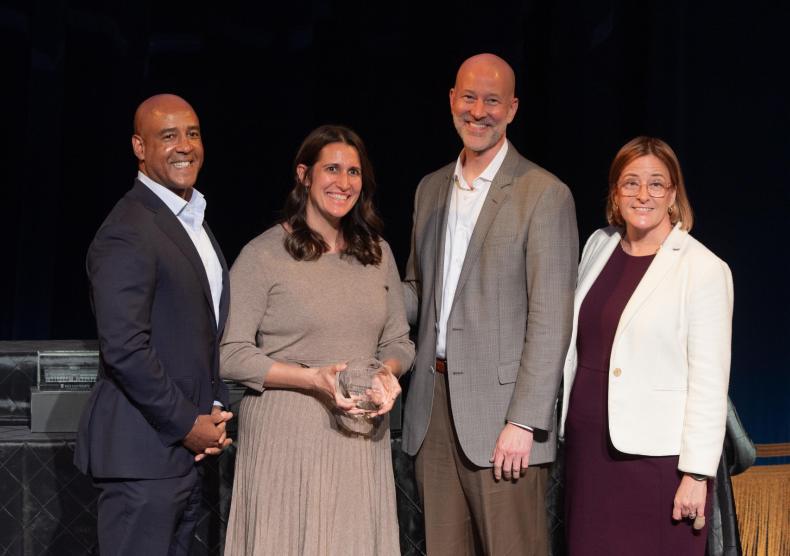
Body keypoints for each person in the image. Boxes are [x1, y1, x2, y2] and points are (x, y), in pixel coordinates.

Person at [401, 53, 579, 556]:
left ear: (513, 109)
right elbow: (417, 290)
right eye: (469, 98)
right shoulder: (430, 188)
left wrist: (524, 421)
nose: (478, 111)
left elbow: (551, 320)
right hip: (432, 411)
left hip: (504, 421)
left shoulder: (545, 194)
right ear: (451, 101)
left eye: (492, 101)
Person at [220, 125, 415, 556]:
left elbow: (399, 341)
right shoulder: (264, 254)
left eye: (353, 172)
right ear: (304, 175)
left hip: (360, 436)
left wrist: (387, 373)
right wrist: (312, 379)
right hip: (288, 435)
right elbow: (229, 352)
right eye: (331, 169)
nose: (343, 182)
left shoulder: (378, 253)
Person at [74, 94, 234, 556]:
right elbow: (125, 348)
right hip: (142, 457)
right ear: (139, 148)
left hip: (182, 456)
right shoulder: (128, 228)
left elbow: (198, 333)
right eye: (168, 136)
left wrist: (213, 407)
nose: (184, 146)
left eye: (192, 133)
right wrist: (187, 423)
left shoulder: (190, 221)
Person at [559, 136, 733, 555]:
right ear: (615, 192)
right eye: (631, 182)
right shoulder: (599, 244)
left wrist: (696, 474)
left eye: (656, 183)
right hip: (588, 453)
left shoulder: (703, 269)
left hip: (658, 465)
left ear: (673, 194)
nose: (643, 194)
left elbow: (710, 384)